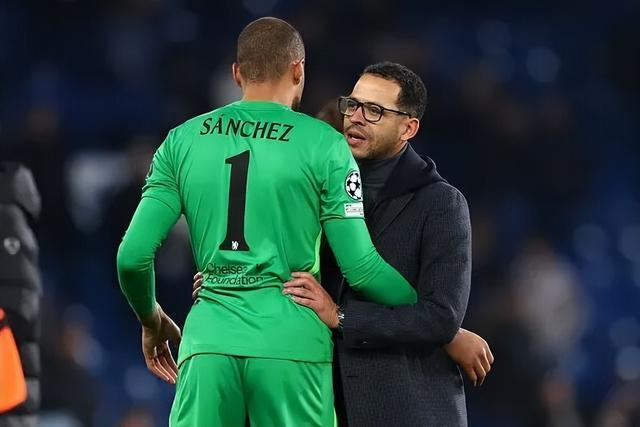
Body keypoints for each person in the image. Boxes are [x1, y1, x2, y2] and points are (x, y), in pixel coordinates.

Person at [116, 18, 418, 427]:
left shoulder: (181, 141)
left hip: (208, 344)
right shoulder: (325, 144)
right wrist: (430, 316)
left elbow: (132, 257)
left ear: (237, 73)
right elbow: (362, 268)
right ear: (298, 70)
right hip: (290, 344)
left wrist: (151, 319)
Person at [281, 62, 491, 426]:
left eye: (374, 110)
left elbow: (441, 316)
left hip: (408, 409)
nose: (356, 118)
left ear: (408, 128)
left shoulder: (441, 203)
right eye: (353, 105)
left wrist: (342, 317)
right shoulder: (315, 191)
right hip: (324, 404)